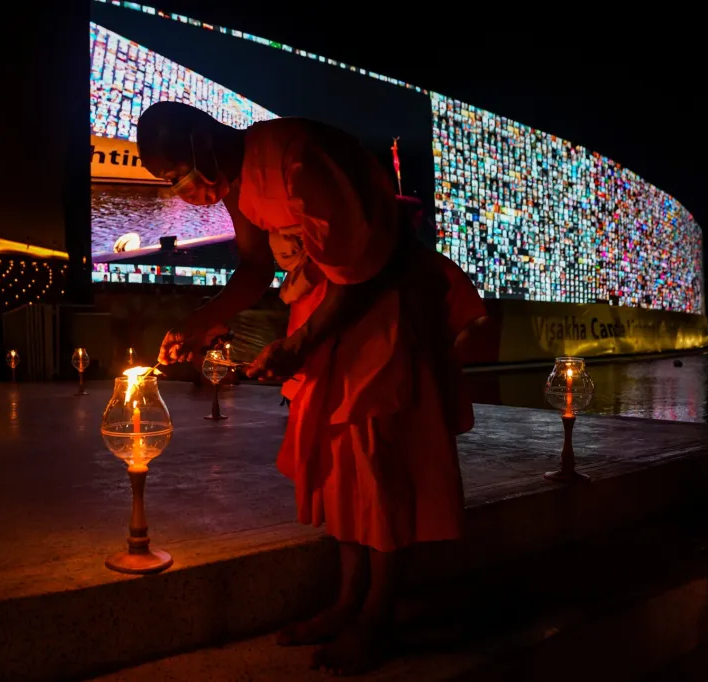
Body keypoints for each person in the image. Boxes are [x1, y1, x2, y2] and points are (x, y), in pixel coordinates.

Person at [138, 101, 486, 675]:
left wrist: (299, 347)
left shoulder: (299, 161)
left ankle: (378, 617)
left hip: (377, 322)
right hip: (321, 319)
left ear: (201, 143)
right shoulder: (235, 179)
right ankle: (348, 601)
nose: (180, 189)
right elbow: (254, 266)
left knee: (377, 466)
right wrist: (203, 320)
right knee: (339, 466)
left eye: (175, 173)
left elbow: (360, 272)